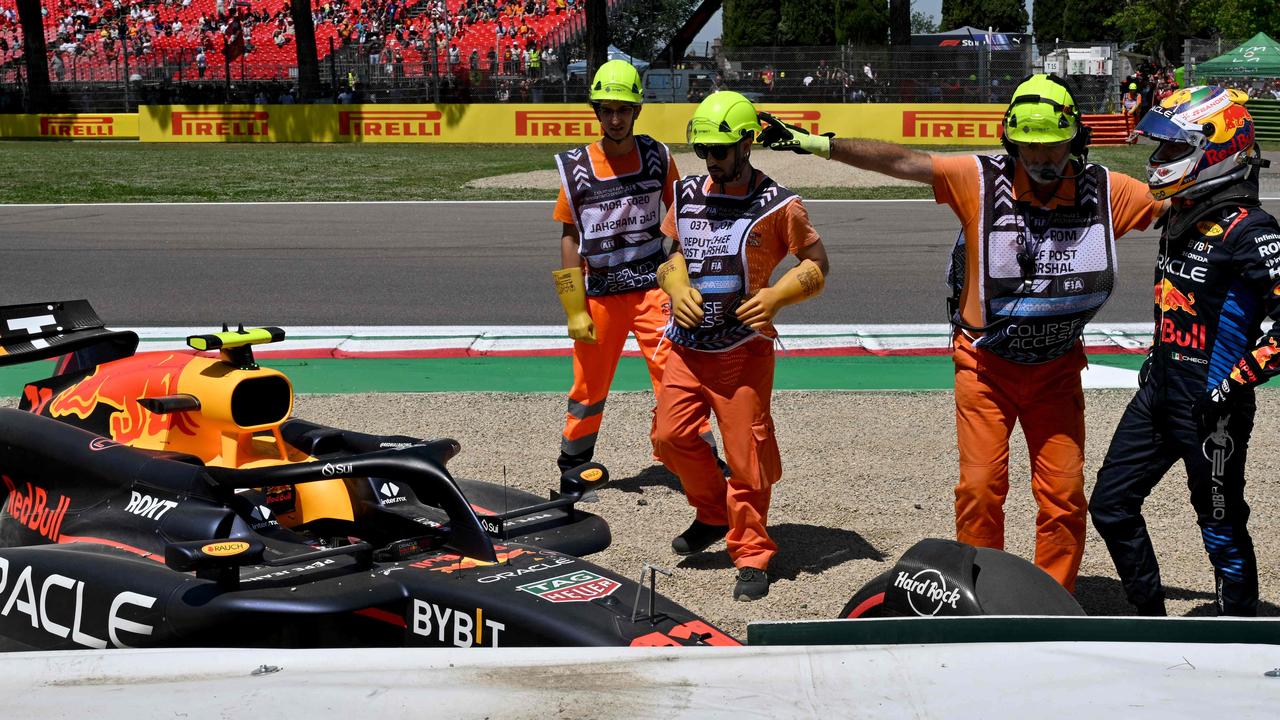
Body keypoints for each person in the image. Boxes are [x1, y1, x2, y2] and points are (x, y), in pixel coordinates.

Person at [756, 74, 1166, 591]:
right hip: (985, 367)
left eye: (1053, 146)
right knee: (979, 487)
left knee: (1063, 492)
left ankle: (1052, 594)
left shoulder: (1107, 191)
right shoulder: (979, 179)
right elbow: (903, 161)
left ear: (1075, 139)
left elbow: (1173, 202)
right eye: (1028, 147)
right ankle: (984, 587)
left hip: (1057, 368)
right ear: (1010, 141)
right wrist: (816, 143)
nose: (1040, 159)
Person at [1091, 86, 1278, 617]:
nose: (1159, 161)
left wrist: (1234, 381)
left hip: (1212, 406)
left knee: (1219, 524)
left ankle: (1237, 626)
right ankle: (1148, 616)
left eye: (1174, 150)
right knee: (1110, 506)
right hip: (1160, 391)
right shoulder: (1183, 213)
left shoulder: (1253, 230)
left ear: (1215, 150)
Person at [654, 91, 830, 601]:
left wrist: (778, 295)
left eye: (721, 150)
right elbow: (671, 256)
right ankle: (712, 513)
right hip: (686, 348)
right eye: (704, 149)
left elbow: (817, 263)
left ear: (748, 143)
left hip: (744, 351)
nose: (711, 159)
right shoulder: (686, 194)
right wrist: (676, 286)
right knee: (669, 439)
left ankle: (752, 553)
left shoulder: (781, 206)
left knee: (746, 454)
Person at [550, 60, 686, 473]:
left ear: (637, 111)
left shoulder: (659, 157)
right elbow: (570, 237)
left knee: (675, 375)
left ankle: (686, 453)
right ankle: (574, 462)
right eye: (606, 109)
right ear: (596, 111)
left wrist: (681, 282)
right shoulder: (576, 169)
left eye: (623, 109)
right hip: (600, 294)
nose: (615, 118)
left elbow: (681, 220)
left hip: (653, 287)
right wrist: (574, 308)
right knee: (589, 385)